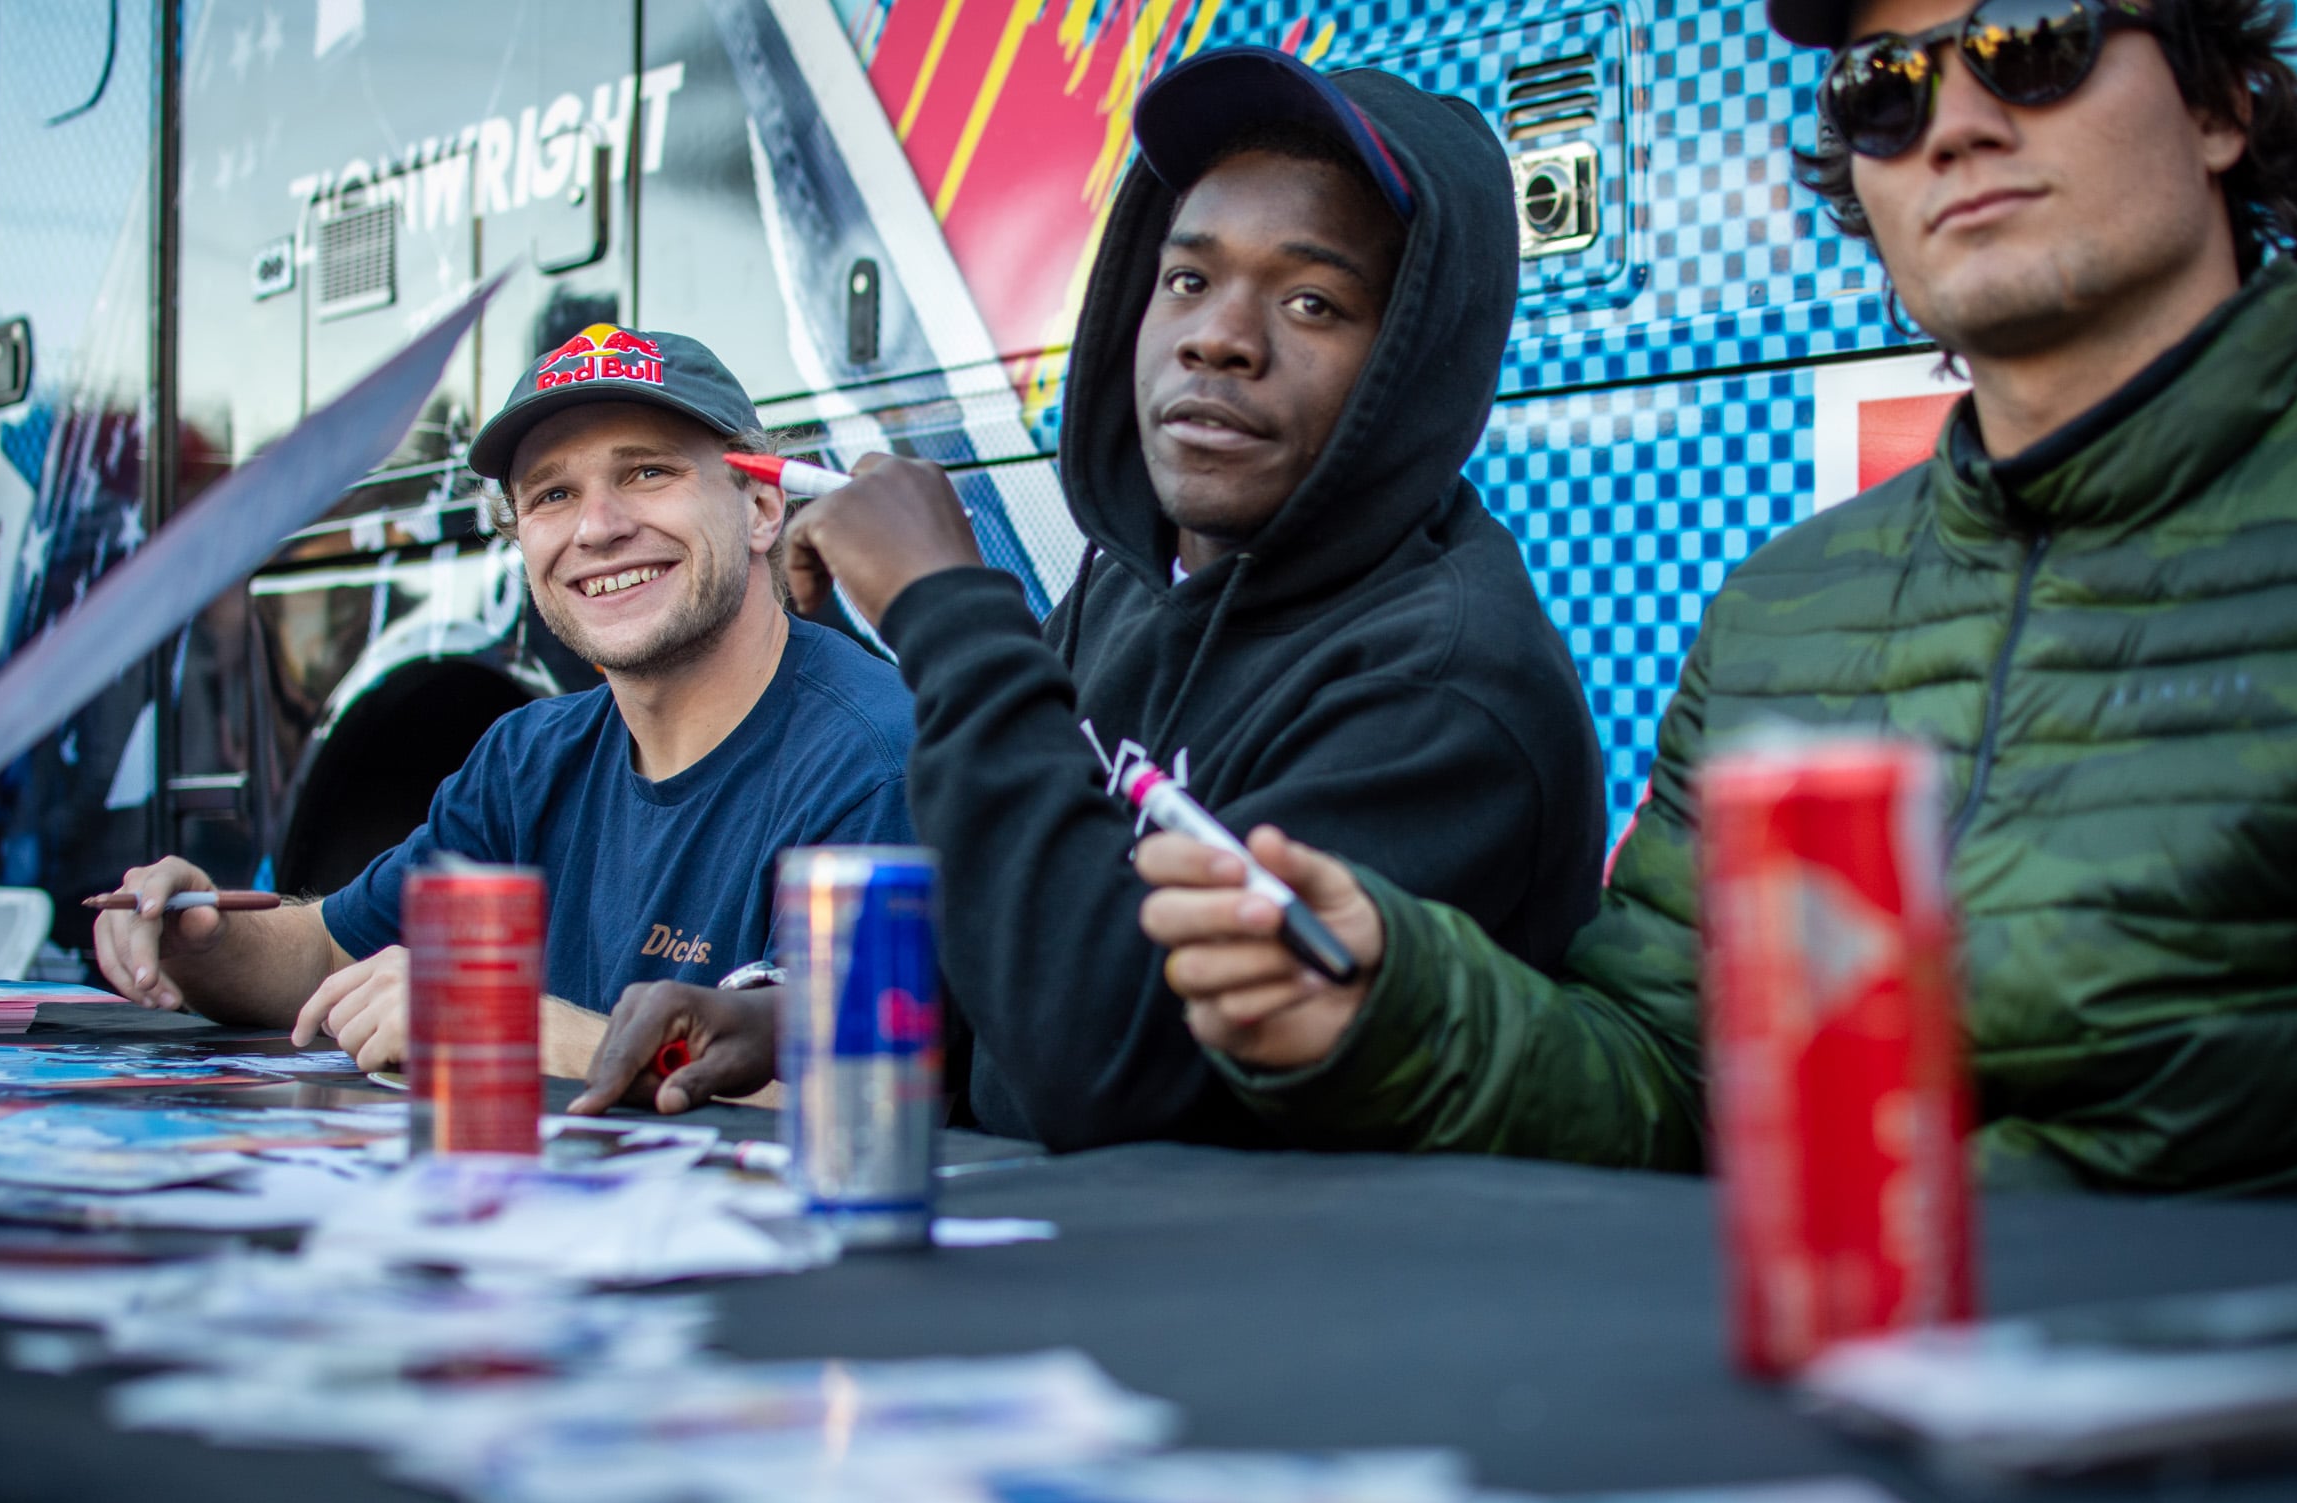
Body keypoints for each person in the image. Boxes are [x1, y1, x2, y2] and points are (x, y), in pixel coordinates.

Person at [1134, 0, 2297, 1193]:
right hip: (1853, 1355)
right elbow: (1671, 1083)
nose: (1954, 125)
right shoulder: (1783, 611)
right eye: (1881, 92)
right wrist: (1394, 1003)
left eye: (2035, 46)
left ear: (2221, 107)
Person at [570, 48, 1609, 1145]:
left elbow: (1116, 1071)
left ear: (1415, 358)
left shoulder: (1447, 685)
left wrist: (950, 611)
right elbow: (1025, 932)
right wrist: (794, 1016)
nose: (1218, 336)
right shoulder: (1129, 584)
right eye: (1188, 279)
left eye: (1312, 301)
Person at [94, 327, 915, 1094]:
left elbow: (852, 1086)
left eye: (648, 473)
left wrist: (502, 1024)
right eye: (553, 494)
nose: (598, 528)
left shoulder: (875, 756)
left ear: (761, 508)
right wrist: (201, 936)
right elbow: (331, 950)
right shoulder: (527, 758)